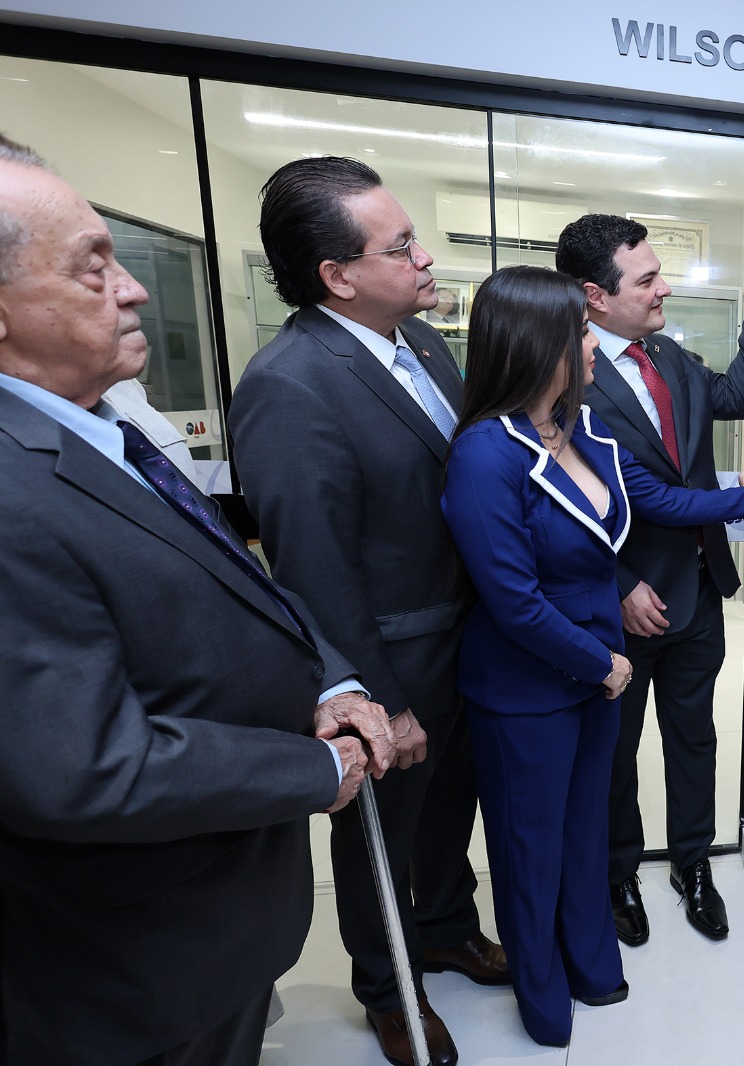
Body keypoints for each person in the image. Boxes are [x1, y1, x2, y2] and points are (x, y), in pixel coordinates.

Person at [0, 133, 394, 1066]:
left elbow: (233, 582)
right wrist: (315, 770)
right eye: (93, 267)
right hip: (128, 963)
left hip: (204, 931)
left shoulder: (99, 428)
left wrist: (325, 677)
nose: (135, 288)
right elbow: (86, 767)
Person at [440, 265, 744, 1047]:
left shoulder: (577, 430)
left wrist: (743, 494)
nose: (592, 345)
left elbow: (647, 506)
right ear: (537, 343)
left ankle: (591, 963)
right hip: (530, 684)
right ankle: (543, 995)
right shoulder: (485, 454)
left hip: (595, 675)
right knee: (530, 845)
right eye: (579, 333)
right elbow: (514, 601)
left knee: (583, 831)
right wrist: (603, 662)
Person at [230, 156, 504, 1066]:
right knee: (380, 833)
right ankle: (389, 987)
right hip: (389, 658)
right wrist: (380, 698)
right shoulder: (289, 383)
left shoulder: (422, 342)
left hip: (464, 637)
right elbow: (312, 567)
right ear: (337, 276)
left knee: (452, 807)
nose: (426, 259)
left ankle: (447, 928)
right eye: (402, 246)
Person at [555, 214, 744, 945]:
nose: (664, 289)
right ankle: (619, 871)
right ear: (595, 295)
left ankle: (693, 864)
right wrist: (619, 583)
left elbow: (736, 393)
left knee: (694, 737)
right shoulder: (566, 376)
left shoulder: (669, 357)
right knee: (616, 752)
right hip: (621, 605)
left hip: (698, 590)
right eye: (647, 279)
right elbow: (565, 503)